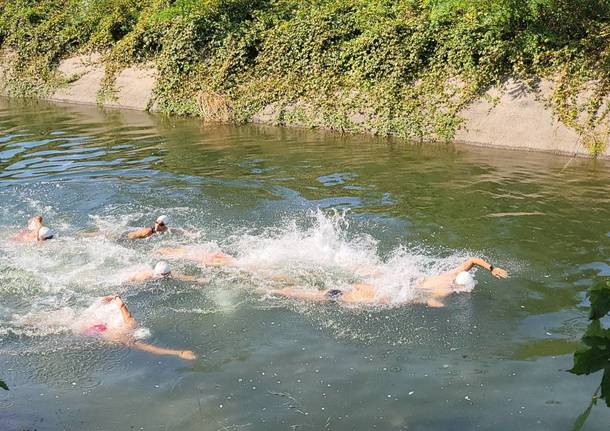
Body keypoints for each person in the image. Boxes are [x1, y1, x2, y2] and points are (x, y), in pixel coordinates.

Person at [266, 257, 508, 307]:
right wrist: (438, 306)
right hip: (382, 292)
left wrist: (492, 268)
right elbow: (429, 303)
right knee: (330, 296)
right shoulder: (445, 292)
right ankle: (275, 290)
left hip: (392, 279)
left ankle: (278, 282)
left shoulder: (447, 275)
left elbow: (471, 260)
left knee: (334, 288)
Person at [76, 295, 197, 360]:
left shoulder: (131, 324)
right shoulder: (125, 338)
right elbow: (151, 349)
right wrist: (178, 353)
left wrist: (116, 298)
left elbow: (123, 307)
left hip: (95, 326)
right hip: (91, 330)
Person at [125, 261, 208, 283]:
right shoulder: (144, 277)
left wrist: (202, 280)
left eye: (167, 274)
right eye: (164, 275)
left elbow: (186, 278)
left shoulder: (170, 274)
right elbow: (129, 280)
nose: (167, 277)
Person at [158, 246, 236, 266]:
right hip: (204, 255)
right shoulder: (182, 250)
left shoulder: (181, 253)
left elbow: (161, 250)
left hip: (204, 258)